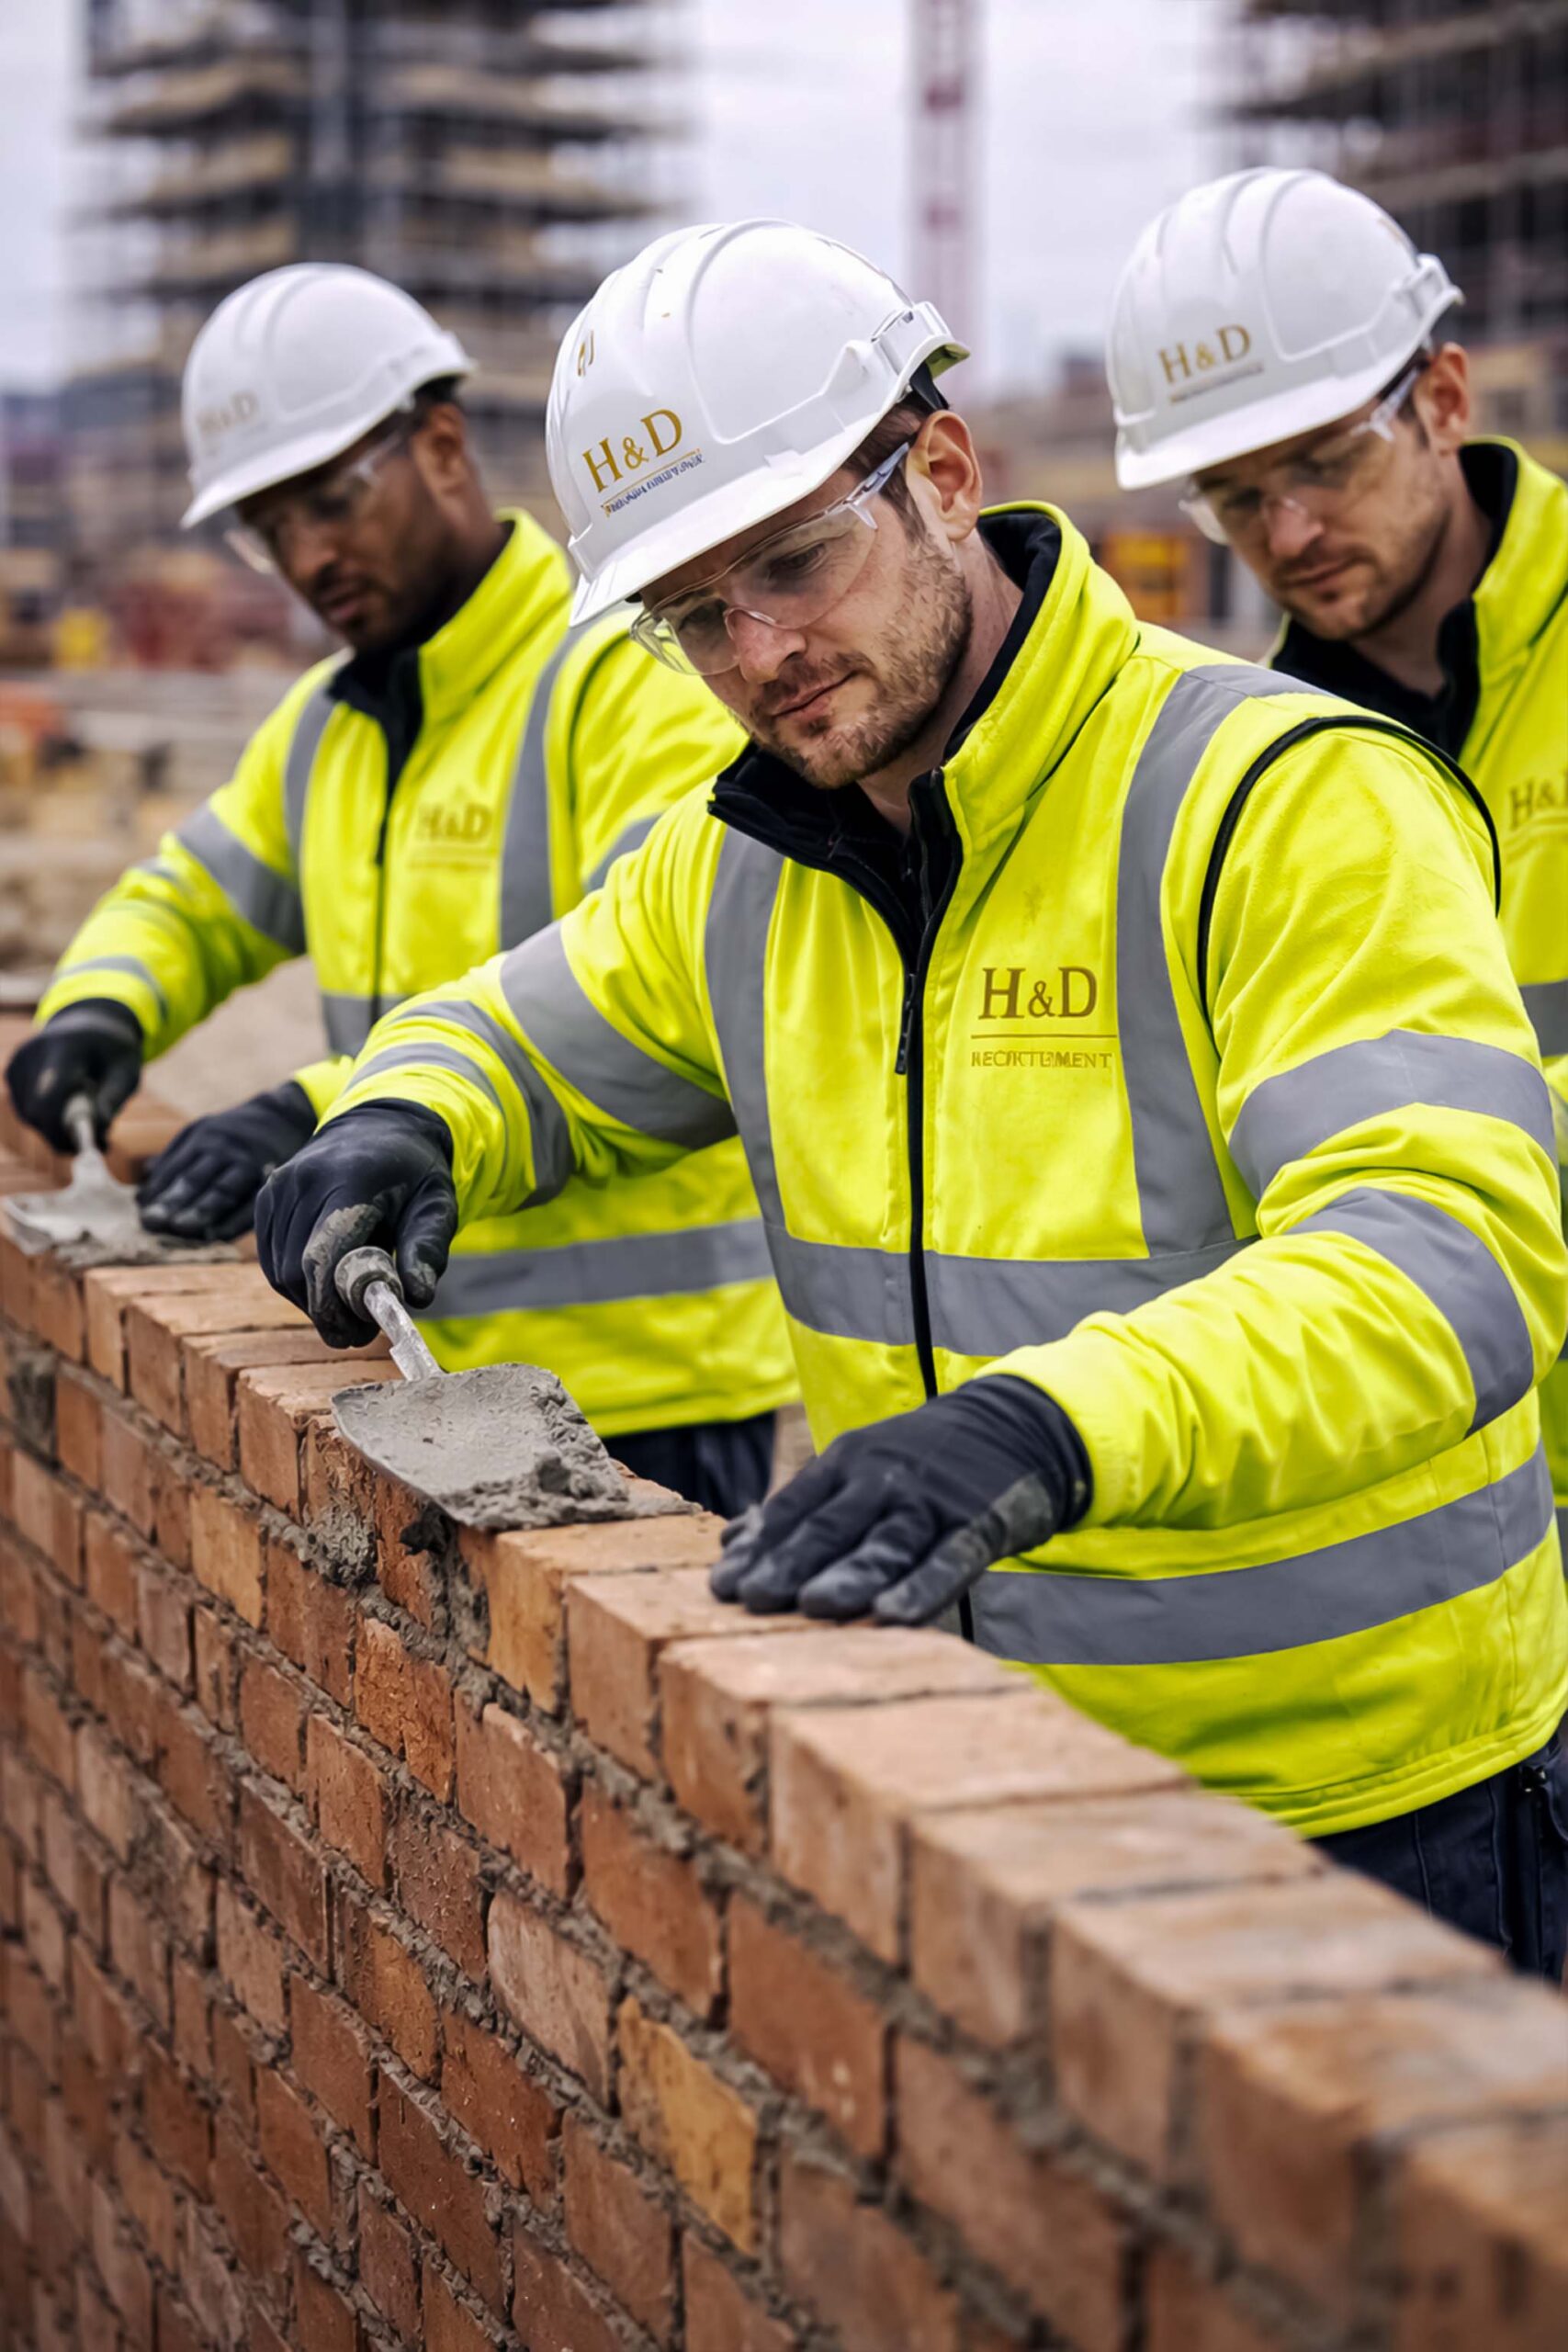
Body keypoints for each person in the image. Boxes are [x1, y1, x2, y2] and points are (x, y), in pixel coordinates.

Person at [256, 221, 1568, 1971]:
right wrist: (397, 1113)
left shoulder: (1281, 798)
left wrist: (1053, 1425)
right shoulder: (749, 865)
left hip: (1367, 1809)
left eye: (795, 563)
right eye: (690, 616)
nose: (756, 653)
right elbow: (514, 1027)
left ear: (942, 472)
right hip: (983, 1785)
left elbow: (1449, 1254)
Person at [4, 263, 793, 1515]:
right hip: (414, 1372)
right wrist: (100, 1009)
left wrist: (316, 1111)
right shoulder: (331, 725)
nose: (307, 555)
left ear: (437, 446)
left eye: (330, 500)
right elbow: (195, 894)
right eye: (268, 529)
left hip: (653, 1396)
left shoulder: (619, 679)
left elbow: (642, 989)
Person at [1107, 165, 1568, 1556]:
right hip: (1450, 1493)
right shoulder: (1253, 766)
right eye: (1235, 498)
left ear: (1441, 398)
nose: (1287, 536)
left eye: (1321, 465)